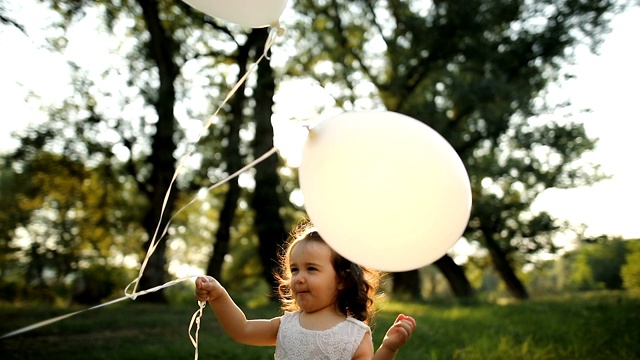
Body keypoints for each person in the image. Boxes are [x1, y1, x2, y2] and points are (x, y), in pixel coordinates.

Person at [195, 222, 417, 359]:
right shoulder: (286, 325)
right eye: (294, 269)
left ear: (342, 279)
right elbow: (241, 330)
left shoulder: (355, 334)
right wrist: (219, 295)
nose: (299, 277)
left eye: (311, 269)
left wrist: (388, 347)